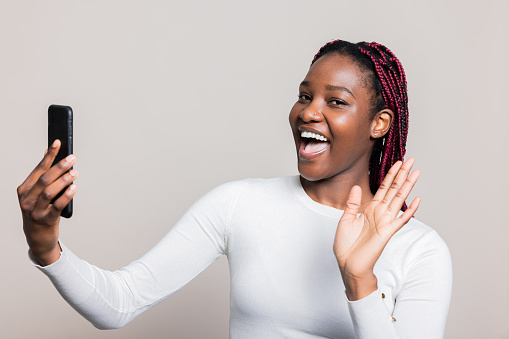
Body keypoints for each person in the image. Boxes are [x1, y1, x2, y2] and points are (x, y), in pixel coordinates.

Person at [17, 39, 452, 338]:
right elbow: (119, 304)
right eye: (304, 96)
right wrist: (45, 247)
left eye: (335, 101)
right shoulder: (240, 204)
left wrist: (359, 279)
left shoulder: (420, 250)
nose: (308, 113)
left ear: (379, 124)